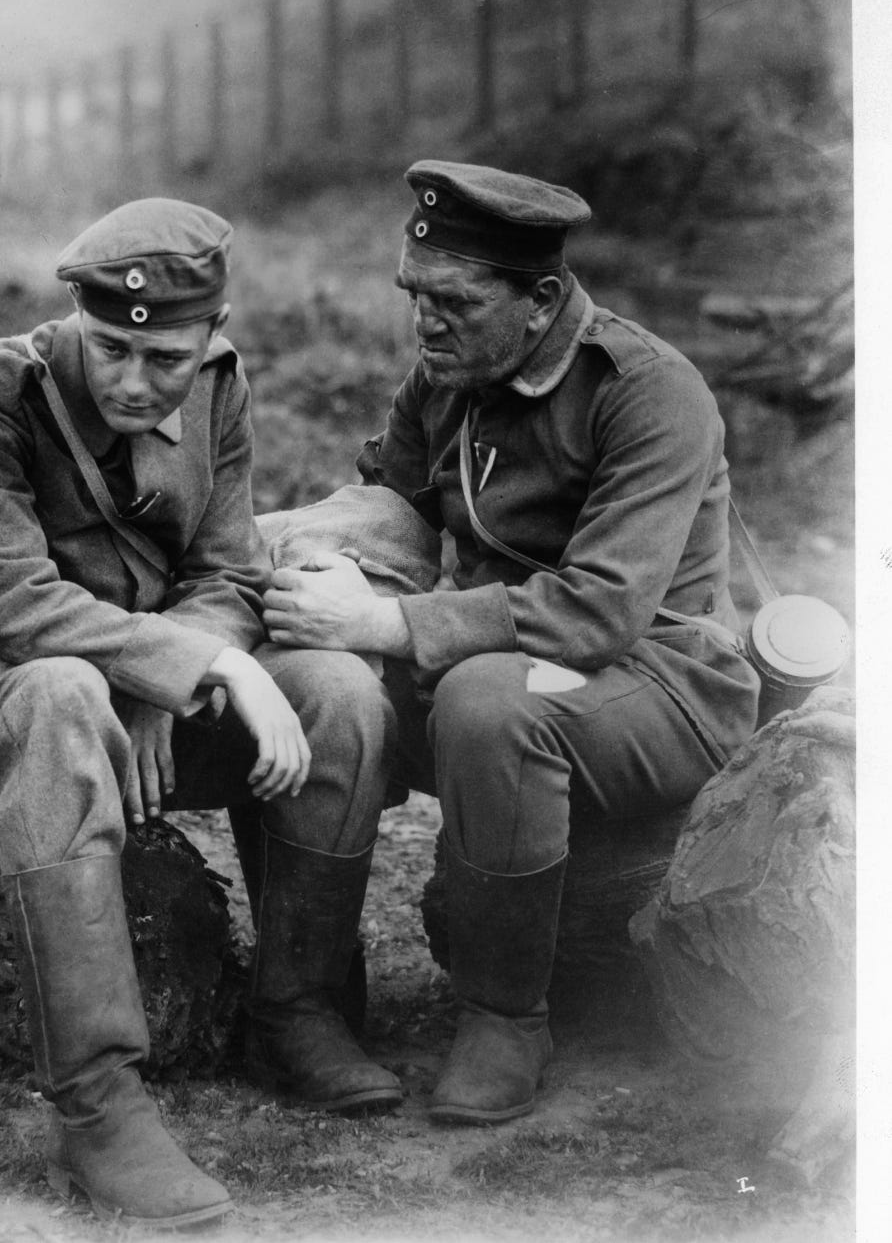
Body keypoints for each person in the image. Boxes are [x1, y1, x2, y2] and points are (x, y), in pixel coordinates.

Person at [0, 198, 400, 1230]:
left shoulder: (219, 388)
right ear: (76, 321)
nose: (131, 379)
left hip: (134, 691)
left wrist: (182, 680)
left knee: (335, 689)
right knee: (67, 691)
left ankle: (291, 1007)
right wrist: (189, 663)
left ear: (207, 336)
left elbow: (221, 567)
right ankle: (98, 1103)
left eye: (161, 356)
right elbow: (10, 602)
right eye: (109, 348)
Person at [261, 160, 761, 1126]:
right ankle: (305, 999)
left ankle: (504, 1017)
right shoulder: (450, 377)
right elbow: (392, 508)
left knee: (488, 702)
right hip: (502, 666)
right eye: (415, 297)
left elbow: (605, 609)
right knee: (330, 688)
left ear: (540, 301)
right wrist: (291, 556)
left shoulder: (649, 392)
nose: (426, 324)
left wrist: (388, 621)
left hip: (659, 682)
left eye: (454, 301)